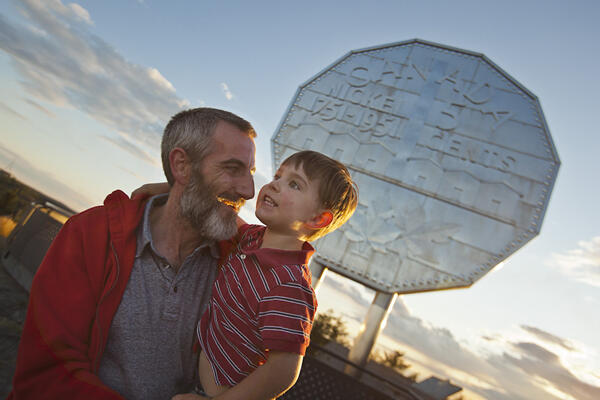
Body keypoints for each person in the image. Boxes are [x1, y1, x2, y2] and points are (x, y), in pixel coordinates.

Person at [7, 108, 257, 400]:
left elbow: (285, 254)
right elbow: (46, 376)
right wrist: (187, 189)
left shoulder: (240, 263)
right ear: (181, 165)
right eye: (232, 168)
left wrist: (187, 189)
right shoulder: (92, 234)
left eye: (250, 173)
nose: (249, 190)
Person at [174, 150, 358, 400]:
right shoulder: (252, 238)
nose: (274, 185)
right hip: (191, 371)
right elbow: (216, 211)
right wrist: (166, 188)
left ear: (317, 219)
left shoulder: (289, 284)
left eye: (294, 184)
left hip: (217, 394)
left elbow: (283, 371)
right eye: (278, 176)